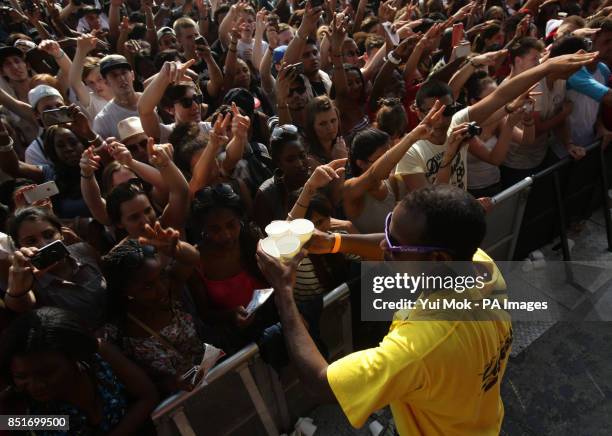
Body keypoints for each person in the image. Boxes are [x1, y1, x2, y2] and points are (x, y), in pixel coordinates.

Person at [255, 184, 512, 436]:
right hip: (481, 419)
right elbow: (409, 243)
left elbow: (321, 384)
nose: (382, 247)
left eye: (395, 245)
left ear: (438, 259)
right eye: (387, 231)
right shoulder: (479, 263)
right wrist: (334, 243)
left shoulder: (419, 348)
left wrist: (284, 293)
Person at [0, 307, 158, 434]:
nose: (35, 386)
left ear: (75, 357)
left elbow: (147, 395)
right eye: (21, 376)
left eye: (47, 373)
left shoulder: (100, 356)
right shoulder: (23, 411)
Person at [101, 224, 204, 395]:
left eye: (162, 275)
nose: (162, 289)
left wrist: (175, 249)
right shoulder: (118, 332)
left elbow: (192, 258)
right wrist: (169, 385)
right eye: (148, 287)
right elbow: (134, 388)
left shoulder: (172, 294)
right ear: (125, 291)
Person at [4, 207, 108, 329]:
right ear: (19, 247)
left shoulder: (83, 250)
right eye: (31, 241)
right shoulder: (29, 282)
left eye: (49, 235)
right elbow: (19, 305)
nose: (44, 244)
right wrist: (17, 290)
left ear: (61, 234)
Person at [93, 55, 141, 140]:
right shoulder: (103, 120)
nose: (121, 78)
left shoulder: (153, 99)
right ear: (106, 82)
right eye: (114, 75)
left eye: (124, 72)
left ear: (132, 75)